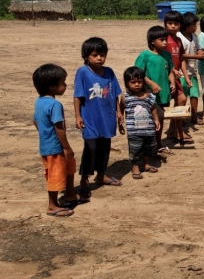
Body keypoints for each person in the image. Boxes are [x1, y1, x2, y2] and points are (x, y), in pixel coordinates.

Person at [73, 37, 123, 193]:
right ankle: (84, 178)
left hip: (107, 117)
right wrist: (77, 116)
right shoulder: (83, 72)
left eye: (102, 54)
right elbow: (77, 96)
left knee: (104, 147)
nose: (99, 58)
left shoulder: (109, 72)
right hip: (90, 118)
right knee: (90, 148)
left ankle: (101, 175)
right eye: (95, 55)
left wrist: (119, 112)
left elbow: (115, 94)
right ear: (86, 56)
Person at [33, 64, 77, 217]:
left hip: (47, 145)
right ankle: (52, 205)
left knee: (69, 167)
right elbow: (59, 127)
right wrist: (66, 147)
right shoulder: (55, 104)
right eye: (63, 83)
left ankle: (70, 194)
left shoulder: (39, 101)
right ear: (52, 87)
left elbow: (35, 121)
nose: (65, 86)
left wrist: (44, 134)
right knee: (56, 175)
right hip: (56, 147)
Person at [134, 26, 175, 153]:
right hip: (150, 95)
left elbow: (170, 71)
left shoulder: (167, 55)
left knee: (161, 119)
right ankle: (149, 146)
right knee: (153, 119)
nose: (165, 42)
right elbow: (138, 73)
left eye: (166, 39)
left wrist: (172, 82)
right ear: (152, 41)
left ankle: (158, 143)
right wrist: (151, 83)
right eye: (161, 40)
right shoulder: (145, 56)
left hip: (164, 94)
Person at [119, 67, 160, 180]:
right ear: (127, 83)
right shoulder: (125, 97)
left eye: (139, 82)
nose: (136, 84)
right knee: (135, 149)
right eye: (133, 82)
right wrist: (120, 122)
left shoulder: (149, 96)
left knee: (148, 148)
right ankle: (135, 167)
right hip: (134, 131)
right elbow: (121, 109)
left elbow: (153, 109)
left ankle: (146, 164)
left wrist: (156, 120)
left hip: (148, 129)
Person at [163, 11, 192, 144]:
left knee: (181, 100)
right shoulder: (163, 39)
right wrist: (172, 70)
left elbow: (181, 59)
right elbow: (161, 59)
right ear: (165, 24)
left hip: (176, 77)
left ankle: (174, 131)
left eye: (176, 23)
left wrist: (186, 77)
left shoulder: (179, 40)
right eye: (170, 23)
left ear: (180, 25)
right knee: (168, 104)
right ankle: (176, 132)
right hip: (164, 77)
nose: (173, 26)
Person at [177, 12, 204, 125]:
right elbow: (181, 55)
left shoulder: (195, 36)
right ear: (187, 25)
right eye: (194, 24)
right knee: (182, 97)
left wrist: (201, 53)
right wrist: (197, 56)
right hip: (181, 73)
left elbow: (198, 48)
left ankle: (194, 116)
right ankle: (181, 118)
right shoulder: (179, 37)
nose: (196, 27)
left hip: (192, 71)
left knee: (194, 95)